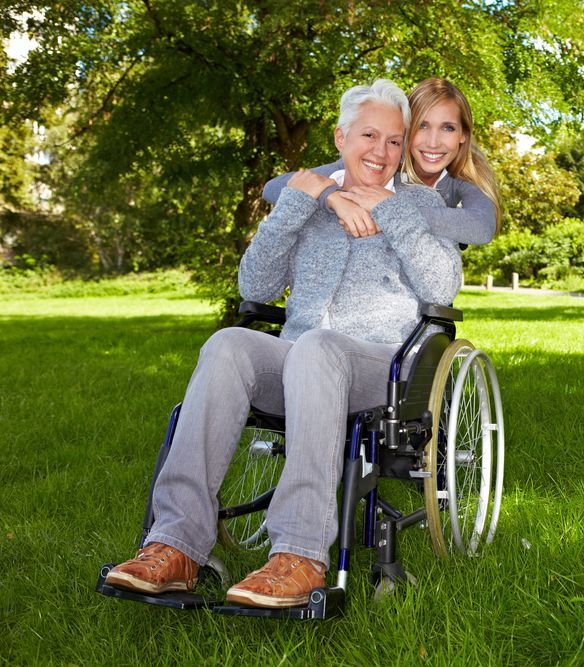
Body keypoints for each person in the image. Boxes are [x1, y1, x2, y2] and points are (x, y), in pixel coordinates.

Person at [104, 79, 462, 609]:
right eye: (369, 135)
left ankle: (299, 555)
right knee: (229, 343)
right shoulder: (310, 201)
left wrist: (391, 211)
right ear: (340, 138)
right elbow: (256, 286)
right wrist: (301, 203)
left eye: (393, 140)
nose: (382, 151)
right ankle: (175, 545)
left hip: (377, 370)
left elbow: (442, 288)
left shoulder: (417, 203)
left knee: (318, 347)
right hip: (299, 359)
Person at [263, 77, 501, 246]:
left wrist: (390, 209)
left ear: (463, 135)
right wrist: (332, 197)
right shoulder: (383, 164)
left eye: (448, 128)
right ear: (405, 131)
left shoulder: (463, 176)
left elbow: (481, 227)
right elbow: (274, 187)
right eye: (422, 126)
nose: (433, 142)